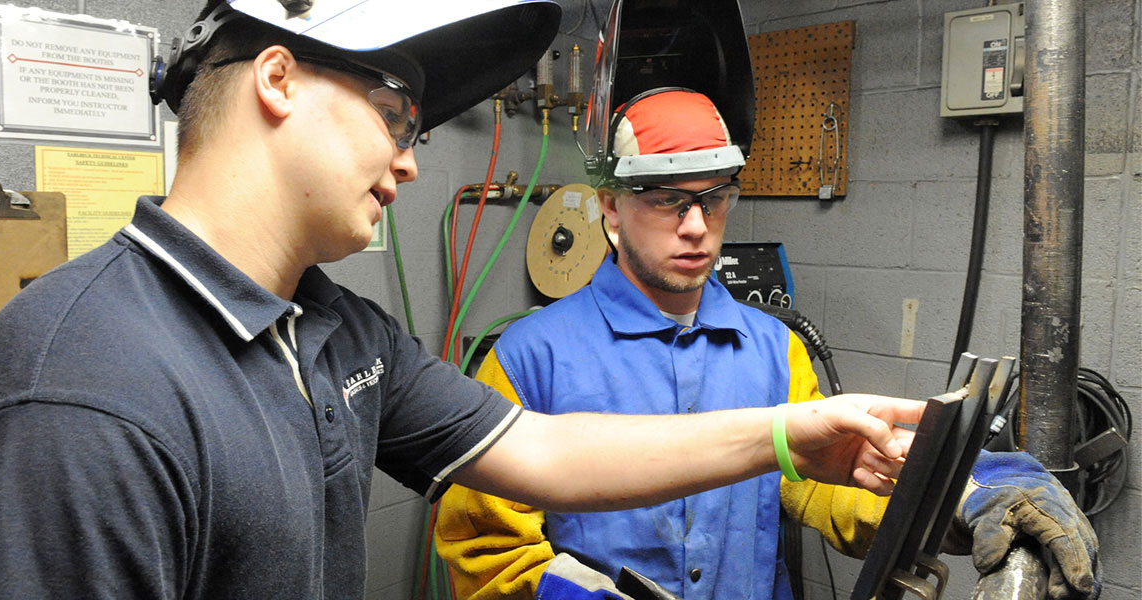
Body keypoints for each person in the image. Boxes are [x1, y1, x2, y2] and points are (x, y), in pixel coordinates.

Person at [0, 2, 928, 599]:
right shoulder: (74, 394)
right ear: (278, 79)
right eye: (397, 115)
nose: (411, 161)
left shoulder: (332, 332)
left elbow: (545, 452)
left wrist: (800, 434)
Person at [435, 89, 1100, 600]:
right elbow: (486, 547)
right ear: (610, 210)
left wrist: (957, 490)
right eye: (666, 200)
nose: (696, 227)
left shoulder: (773, 349)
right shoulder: (529, 358)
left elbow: (837, 487)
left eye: (715, 198)